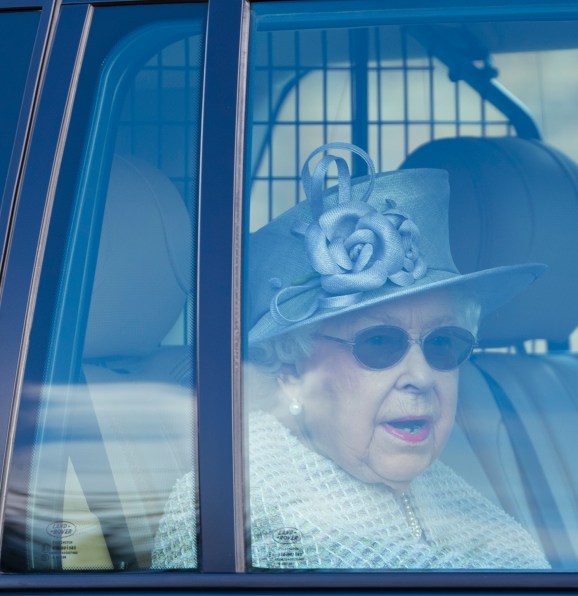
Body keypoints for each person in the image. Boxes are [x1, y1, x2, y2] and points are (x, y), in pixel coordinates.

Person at [152, 143, 549, 569]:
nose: (421, 376)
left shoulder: (445, 491)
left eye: (441, 343)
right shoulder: (239, 520)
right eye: (379, 343)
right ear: (290, 368)